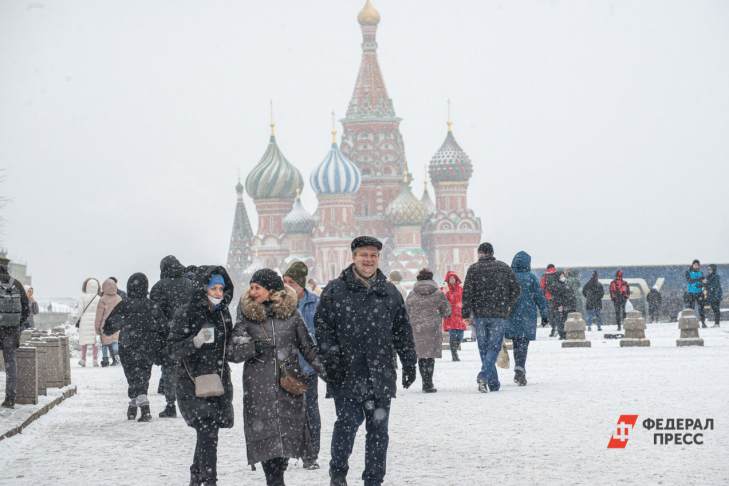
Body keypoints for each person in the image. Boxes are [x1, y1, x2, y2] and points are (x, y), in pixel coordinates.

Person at [315, 236, 417, 486]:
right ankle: (338, 474)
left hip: (380, 372)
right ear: (354, 257)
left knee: (378, 431)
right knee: (347, 425)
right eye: (364, 255)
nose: (368, 260)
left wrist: (409, 361)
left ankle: (374, 479)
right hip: (347, 373)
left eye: (373, 255)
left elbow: (402, 330)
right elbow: (323, 328)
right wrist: (332, 360)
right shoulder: (335, 290)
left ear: (378, 258)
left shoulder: (389, 291)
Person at [229, 268, 322, 486]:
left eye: (257, 287)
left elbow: (308, 348)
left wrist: (329, 374)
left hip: (288, 386)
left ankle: (277, 475)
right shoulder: (246, 315)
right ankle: (274, 480)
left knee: (285, 442)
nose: (252, 292)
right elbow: (233, 353)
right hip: (258, 388)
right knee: (266, 444)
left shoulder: (291, 315)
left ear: (271, 290)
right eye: (251, 287)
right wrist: (252, 346)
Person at [168, 267, 235, 486]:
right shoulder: (187, 312)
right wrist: (194, 342)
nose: (218, 293)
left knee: (208, 433)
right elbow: (172, 349)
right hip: (192, 383)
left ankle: (197, 478)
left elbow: (228, 345)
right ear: (203, 288)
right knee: (208, 432)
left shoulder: (223, 313)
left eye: (221, 288)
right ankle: (209, 480)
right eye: (213, 288)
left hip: (218, 382)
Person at [104, 273, 165, 422]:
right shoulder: (152, 305)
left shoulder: (124, 304)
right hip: (148, 345)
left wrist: (118, 326)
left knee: (132, 375)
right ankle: (136, 404)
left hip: (127, 344)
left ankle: (141, 407)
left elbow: (109, 326)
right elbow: (163, 326)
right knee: (143, 375)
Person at [462, 242, 520, 393]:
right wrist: (507, 303)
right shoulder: (503, 267)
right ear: (492, 253)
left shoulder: (473, 269)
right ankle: (489, 380)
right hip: (499, 314)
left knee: (483, 348)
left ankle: (488, 378)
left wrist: (466, 313)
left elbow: (467, 293)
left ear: (480, 253)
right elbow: (516, 289)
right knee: (494, 347)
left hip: (480, 315)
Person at [283, 261, 322, 470]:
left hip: (307, 367)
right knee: (288, 410)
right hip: (285, 367)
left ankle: (311, 453)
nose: (287, 286)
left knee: (310, 410)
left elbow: (319, 334)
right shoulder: (280, 303)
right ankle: (288, 451)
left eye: (291, 282)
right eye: (284, 282)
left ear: (301, 284)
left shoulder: (314, 303)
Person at [150, 255, 194, 418]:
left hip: (168, 335)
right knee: (189, 366)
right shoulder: (190, 285)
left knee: (169, 368)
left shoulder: (158, 287)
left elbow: (155, 312)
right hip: (188, 333)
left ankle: (170, 404)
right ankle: (190, 400)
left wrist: (165, 327)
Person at [506, 251, 549, 386]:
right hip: (527, 314)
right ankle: (520, 367)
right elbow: (539, 297)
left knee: (516, 342)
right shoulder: (531, 277)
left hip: (512, 314)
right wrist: (544, 314)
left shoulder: (509, 276)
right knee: (523, 343)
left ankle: (519, 367)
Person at [406, 268, 451, 393]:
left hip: (417, 328)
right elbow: (446, 311)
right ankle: (428, 383)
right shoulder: (438, 293)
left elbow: (406, 311)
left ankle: (424, 382)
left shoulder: (412, 294)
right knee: (430, 356)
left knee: (421, 356)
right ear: (431, 279)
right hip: (432, 328)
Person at [0, 257, 30, 409]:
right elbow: (26, 309)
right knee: (10, 364)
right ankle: (10, 398)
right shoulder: (16, 284)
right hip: (11, 331)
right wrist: (17, 325)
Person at [95, 278, 122, 367]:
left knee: (104, 344)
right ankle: (117, 357)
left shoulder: (103, 299)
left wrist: (97, 327)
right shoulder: (119, 298)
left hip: (105, 324)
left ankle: (105, 360)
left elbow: (99, 315)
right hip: (116, 324)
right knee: (115, 341)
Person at [443, 271, 467, 361]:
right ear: (448, 280)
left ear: (456, 279)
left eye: (453, 278)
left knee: (460, 336)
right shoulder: (446, 289)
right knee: (453, 336)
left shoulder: (461, 289)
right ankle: (454, 354)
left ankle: (455, 349)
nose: (452, 280)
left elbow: (465, 300)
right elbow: (442, 301)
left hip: (460, 315)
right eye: (450, 278)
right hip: (451, 315)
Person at [77, 278, 101, 367]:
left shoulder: (83, 297)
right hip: (95, 320)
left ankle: (83, 360)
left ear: (87, 286)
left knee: (84, 341)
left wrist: (78, 319)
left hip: (85, 320)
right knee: (95, 342)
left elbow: (80, 310)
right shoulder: (99, 298)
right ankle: (95, 360)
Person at [550, 271, 577, 339]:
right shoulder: (556, 285)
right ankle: (562, 334)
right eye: (561, 276)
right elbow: (556, 297)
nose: (563, 277)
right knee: (560, 320)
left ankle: (566, 333)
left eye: (563, 276)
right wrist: (559, 305)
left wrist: (572, 304)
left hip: (567, 306)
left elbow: (571, 295)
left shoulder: (566, 284)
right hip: (560, 306)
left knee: (565, 320)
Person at [685, 259, 707, 328]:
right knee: (691, 309)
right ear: (692, 265)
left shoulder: (701, 273)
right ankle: (691, 323)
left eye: (697, 265)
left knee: (701, 308)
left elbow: (704, 281)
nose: (696, 266)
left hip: (699, 293)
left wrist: (702, 285)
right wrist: (699, 280)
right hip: (691, 293)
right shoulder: (688, 272)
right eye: (695, 265)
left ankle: (703, 322)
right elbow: (689, 280)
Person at [540, 264, 559, 337]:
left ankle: (554, 328)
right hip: (558, 298)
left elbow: (542, 287)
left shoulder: (545, 276)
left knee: (551, 314)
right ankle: (559, 328)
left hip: (549, 298)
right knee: (558, 313)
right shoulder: (558, 274)